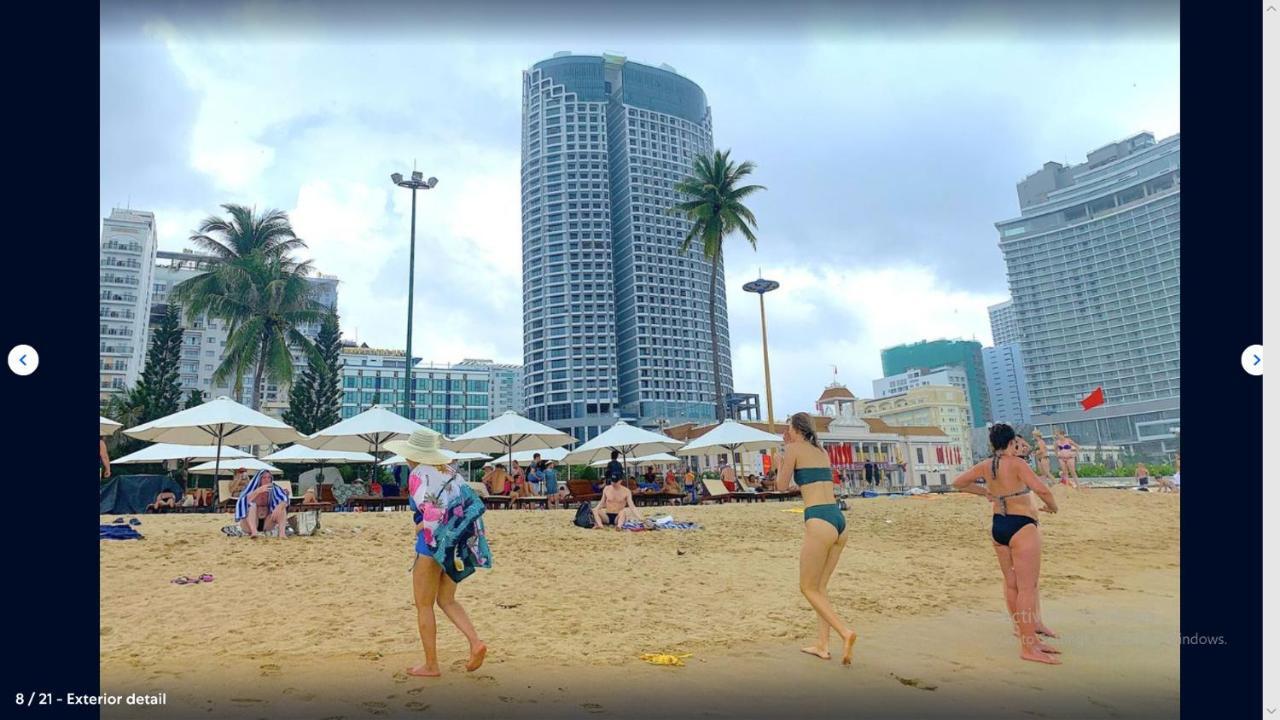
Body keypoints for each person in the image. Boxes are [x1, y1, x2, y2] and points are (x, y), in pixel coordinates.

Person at [385, 429, 489, 678]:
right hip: (457, 542)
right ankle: (475, 642)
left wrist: (419, 526)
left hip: (432, 544)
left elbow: (431, 512)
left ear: (412, 455)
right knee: (447, 599)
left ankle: (431, 665)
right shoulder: (450, 472)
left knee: (424, 604)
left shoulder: (418, 474)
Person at [953, 423, 1061, 665]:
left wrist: (986, 494)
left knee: (1011, 584)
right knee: (1027, 587)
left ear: (992, 444)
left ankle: (1026, 636)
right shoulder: (1017, 464)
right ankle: (1028, 646)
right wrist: (1053, 507)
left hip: (998, 526)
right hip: (1021, 525)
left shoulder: (986, 465)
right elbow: (1042, 488)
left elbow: (958, 482)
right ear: (1012, 442)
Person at [775, 412, 857, 665]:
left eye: (788, 427)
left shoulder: (793, 449)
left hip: (819, 519)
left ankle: (845, 632)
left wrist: (780, 461)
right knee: (820, 588)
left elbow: (780, 486)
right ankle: (822, 645)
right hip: (838, 520)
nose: (787, 432)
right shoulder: (821, 451)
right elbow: (812, 483)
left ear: (795, 429)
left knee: (807, 587)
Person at [234, 470, 289, 538]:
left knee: (281, 508)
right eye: (264, 478)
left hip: (267, 522)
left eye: (269, 478)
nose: (267, 480)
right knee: (252, 505)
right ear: (259, 479)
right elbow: (243, 501)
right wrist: (258, 491)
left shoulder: (274, 489)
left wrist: (279, 507)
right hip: (249, 523)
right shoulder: (251, 488)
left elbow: (284, 499)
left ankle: (282, 534)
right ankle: (254, 532)